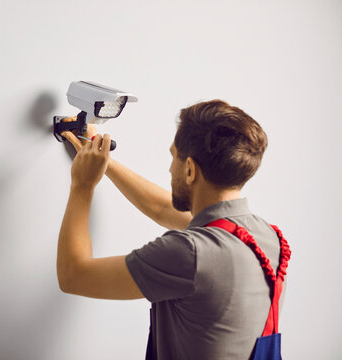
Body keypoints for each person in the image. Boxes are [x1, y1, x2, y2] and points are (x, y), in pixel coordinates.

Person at [56, 99, 288, 359]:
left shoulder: (190, 253)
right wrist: (102, 162)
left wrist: (83, 184)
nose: (169, 168)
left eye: (173, 157)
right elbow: (163, 210)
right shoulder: (268, 238)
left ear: (190, 169)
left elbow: (73, 275)